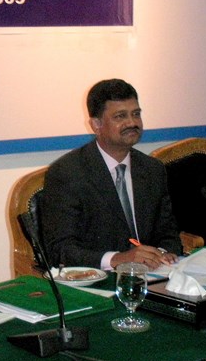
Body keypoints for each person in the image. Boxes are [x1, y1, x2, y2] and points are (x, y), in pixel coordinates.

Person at [41, 79, 182, 270]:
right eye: (120, 116)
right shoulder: (67, 173)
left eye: (136, 114)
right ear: (96, 124)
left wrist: (162, 253)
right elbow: (60, 249)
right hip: (98, 279)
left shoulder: (152, 169)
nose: (132, 122)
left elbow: (168, 233)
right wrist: (117, 259)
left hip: (154, 275)